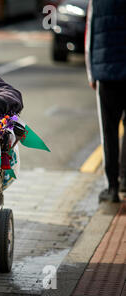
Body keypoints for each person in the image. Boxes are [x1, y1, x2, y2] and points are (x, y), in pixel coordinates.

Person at [85, 0, 126, 203]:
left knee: (108, 132)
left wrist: (91, 74)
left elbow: (90, 35)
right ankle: (125, 178)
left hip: (107, 74)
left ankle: (112, 188)